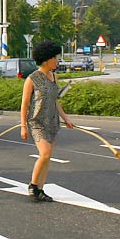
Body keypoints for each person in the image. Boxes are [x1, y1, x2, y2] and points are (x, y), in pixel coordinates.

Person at [20, 41, 74, 202]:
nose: (57, 60)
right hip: (37, 122)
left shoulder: (53, 76)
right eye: (55, 57)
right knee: (45, 153)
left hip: (52, 122)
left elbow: (55, 101)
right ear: (46, 59)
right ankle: (33, 185)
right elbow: (24, 104)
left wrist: (66, 118)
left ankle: (40, 189)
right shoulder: (32, 79)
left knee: (47, 156)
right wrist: (23, 126)